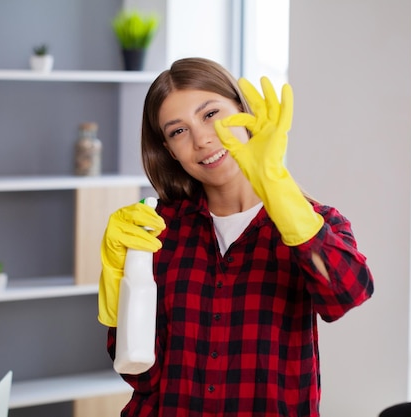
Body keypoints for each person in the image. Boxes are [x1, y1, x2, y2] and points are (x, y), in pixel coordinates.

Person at [97, 57, 374, 417]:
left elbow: (346, 292)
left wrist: (275, 185)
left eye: (210, 114)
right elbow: (140, 374)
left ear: (245, 112)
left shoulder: (312, 221)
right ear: (168, 151)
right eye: (178, 131)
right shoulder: (156, 230)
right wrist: (121, 279)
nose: (202, 139)